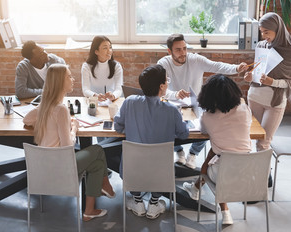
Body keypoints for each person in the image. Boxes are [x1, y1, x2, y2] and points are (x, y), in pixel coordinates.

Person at [23, 64, 116, 222]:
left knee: (98, 166)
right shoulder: (61, 109)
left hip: (42, 168)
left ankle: (89, 211)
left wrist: (43, 120)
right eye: (69, 76)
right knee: (98, 150)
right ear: (60, 81)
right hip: (60, 168)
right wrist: (73, 128)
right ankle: (105, 184)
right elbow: (68, 147)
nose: (72, 79)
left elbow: (26, 119)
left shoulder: (46, 106)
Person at [157, 33, 248, 169]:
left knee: (205, 130)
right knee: (167, 128)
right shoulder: (163, 64)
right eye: (178, 50)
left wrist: (236, 68)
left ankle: (193, 154)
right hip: (173, 104)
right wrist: (175, 94)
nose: (183, 53)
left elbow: (217, 66)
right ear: (169, 51)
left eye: (184, 48)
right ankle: (179, 151)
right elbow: (161, 89)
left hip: (196, 105)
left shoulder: (195, 60)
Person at [114, 64, 189, 219]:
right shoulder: (172, 110)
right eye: (167, 81)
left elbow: (118, 126)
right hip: (161, 173)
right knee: (159, 163)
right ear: (162, 87)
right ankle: (154, 203)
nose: (168, 83)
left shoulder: (129, 102)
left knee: (131, 159)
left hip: (132, 170)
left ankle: (138, 201)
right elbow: (184, 133)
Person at [182, 74, 252, 225]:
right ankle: (195, 189)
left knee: (210, 163)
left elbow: (203, 132)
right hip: (249, 170)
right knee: (215, 152)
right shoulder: (244, 109)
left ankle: (224, 211)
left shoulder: (207, 117)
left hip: (223, 172)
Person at [244, 12, 291, 153]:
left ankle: (263, 175)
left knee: (263, 143)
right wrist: (250, 76)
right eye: (261, 32)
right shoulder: (263, 46)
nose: (263, 37)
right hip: (254, 98)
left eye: (266, 32)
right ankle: (249, 173)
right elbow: (257, 72)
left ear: (278, 30)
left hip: (274, 103)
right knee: (248, 139)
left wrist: (273, 82)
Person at [81, 35, 123, 102]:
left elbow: (119, 89)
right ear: (96, 51)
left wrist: (113, 95)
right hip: (94, 101)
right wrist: (95, 96)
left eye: (110, 47)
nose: (109, 51)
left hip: (111, 102)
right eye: (105, 48)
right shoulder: (87, 67)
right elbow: (85, 90)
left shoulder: (117, 66)